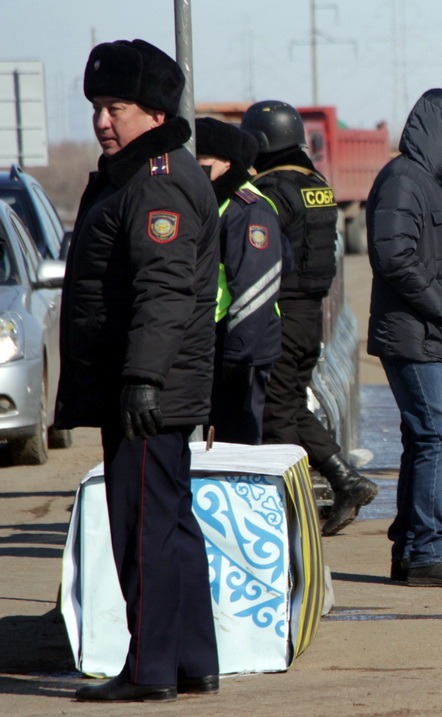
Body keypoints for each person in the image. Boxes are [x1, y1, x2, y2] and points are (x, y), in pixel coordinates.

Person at [59, 39, 220, 701]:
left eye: (115, 106)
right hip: (143, 381)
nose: (102, 119)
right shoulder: (139, 173)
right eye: (97, 106)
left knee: (144, 530)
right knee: (170, 522)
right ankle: (189, 659)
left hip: (147, 388)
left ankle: (150, 668)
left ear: (153, 111)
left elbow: (165, 288)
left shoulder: (156, 180)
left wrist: (143, 379)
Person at [365, 88, 442, 588]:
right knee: (440, 437)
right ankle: (426, 553)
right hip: (414, 335)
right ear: (441, 132)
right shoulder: (402, 180)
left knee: (423, 440)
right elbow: (394, 256)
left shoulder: (426, 182)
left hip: (430, 335)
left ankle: (412, 549)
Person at [241, 99, 378, 535]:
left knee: (275, 416)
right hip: (311, 314)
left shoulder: (270, 191)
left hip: (281, 312)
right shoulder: (315, 184)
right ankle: (345, 479)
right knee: (288, 403)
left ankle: (286, 513)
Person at [196, 117, 286, 445]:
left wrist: (237, 353)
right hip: (212, 341)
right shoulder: (207, 201)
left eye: (202, 163)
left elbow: (255, 288)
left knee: (239, 441)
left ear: (227, 163)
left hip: (240, 344)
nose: (195, 170)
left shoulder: (249, 209)